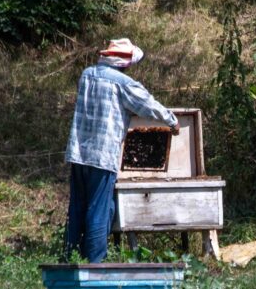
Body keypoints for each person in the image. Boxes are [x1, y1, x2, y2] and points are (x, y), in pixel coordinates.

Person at [63, 38, 179, 262]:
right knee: (98, 210)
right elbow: (147, 105)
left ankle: (70, 259)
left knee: (77, 208)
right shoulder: (123, 83)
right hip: (103, 155)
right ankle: (95, 265)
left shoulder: (87, 74)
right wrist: (172, 121)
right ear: (124, 63)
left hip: (78, 153)